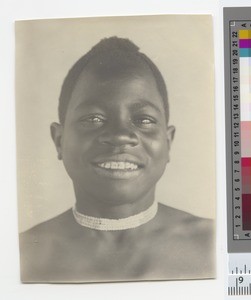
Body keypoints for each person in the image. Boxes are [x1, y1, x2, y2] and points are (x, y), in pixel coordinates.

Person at [19, 36, 215, 283]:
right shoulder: (21, 256)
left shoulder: (214, 245)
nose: (121, 135)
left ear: (168, 142)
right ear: (59, 140)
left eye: (143, 119)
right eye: (93, 119)